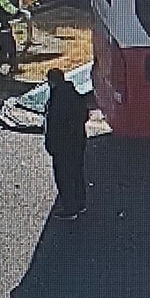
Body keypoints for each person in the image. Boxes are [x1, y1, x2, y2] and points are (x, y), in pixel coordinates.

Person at [44, 67, 91, 220]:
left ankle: (70, 208)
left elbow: (54, 125)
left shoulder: (57, 100)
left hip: (63, 145)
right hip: (78, 141)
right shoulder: (75, 95)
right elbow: (85, 115)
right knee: (77, 173)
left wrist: (51, 145)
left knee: (64, 177)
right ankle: (80, 202)